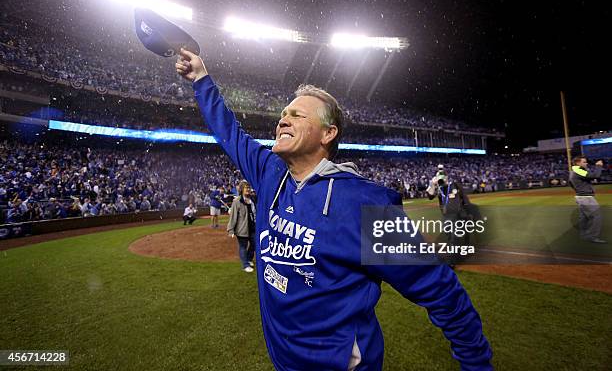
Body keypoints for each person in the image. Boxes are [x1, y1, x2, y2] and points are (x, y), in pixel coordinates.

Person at [176, 48, 492, 371]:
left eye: (298, 115)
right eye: (284, 113)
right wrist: (201, 79)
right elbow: (229, 132)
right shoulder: (269, 173)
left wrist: (477, 365)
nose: (283, 119)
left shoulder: (366, 205)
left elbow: (440, 289)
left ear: (328, 133)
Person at [426, 168, 472, 267]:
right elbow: (429, 196)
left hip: (459, 215)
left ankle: (452, 261)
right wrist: (432, 184)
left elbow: (465, 199)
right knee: (450, 237)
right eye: (439, 178)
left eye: (443, 178)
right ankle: (457, 256)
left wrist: (469, 212)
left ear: (447, 177)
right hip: (447, 216)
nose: (442, 180)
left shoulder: (455, 185)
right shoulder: (439, 188)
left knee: (454, 237)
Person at [569, 156, 606, 243]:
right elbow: (595, 175)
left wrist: (578, 190)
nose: (586, 163)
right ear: (578, 163)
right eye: (584, 162)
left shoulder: (574, 171)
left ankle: (584, 235)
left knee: (584, 218)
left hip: (581, 197)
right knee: (597, 216)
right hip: (586, 198)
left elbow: (570, 183)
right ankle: (592, 237)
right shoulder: (578, 170)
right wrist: (599, 166)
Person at [227, 180, 256, 272]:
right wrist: (231, 230)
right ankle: (245, 265)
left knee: (254, 244)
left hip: (253, 227)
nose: (248, 189)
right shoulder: (237, 201)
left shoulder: (253, 199)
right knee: (243, 246)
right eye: (246, 187)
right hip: (242, 229)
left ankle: (249, 258)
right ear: (241, 189)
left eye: (249, 187)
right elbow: (233, 216)